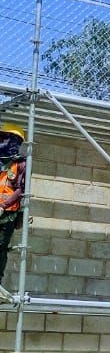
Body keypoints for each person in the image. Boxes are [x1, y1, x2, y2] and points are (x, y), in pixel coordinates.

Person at [0, 123, 27, 288]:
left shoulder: (21, 163)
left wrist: (3, 205)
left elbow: (20, 189)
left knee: (0, 247)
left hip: (7, 214)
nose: (2, 141)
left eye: (5, 137)